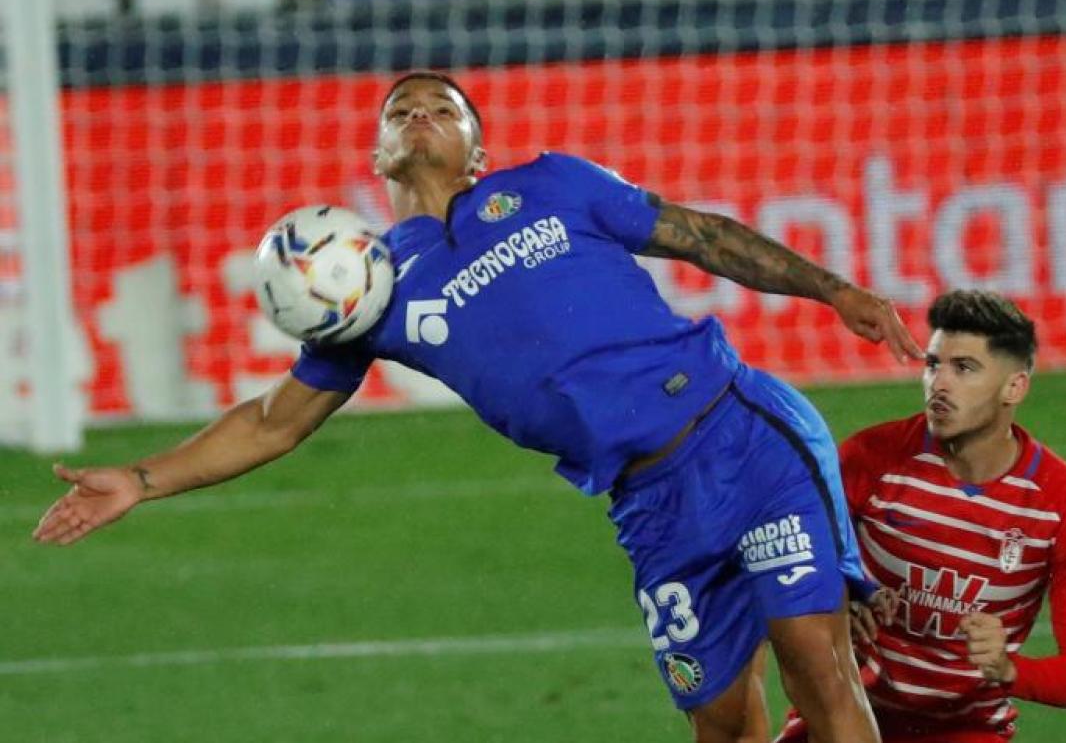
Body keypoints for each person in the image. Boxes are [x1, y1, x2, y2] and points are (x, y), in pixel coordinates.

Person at [34, 70, 922, 743]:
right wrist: (140, 480)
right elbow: (275, 420)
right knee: (722, 722)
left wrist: (833, 289)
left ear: (478, 150)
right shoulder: (371, 289)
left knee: (819, 669)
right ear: (378, 154)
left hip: (739, 435)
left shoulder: (556, 185)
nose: (420, 116)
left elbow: (703, 235)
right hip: (650, 504)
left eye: (442, 108)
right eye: (401, 111)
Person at [773, 290, 1066, 743]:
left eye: (964, 368)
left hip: (964, 730)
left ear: (1014, 387)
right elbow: (789, 563)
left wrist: (1008, 668)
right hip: (846, 713)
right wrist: (839, 597)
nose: (939, 384)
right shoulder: (869, 459)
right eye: (933, 364)